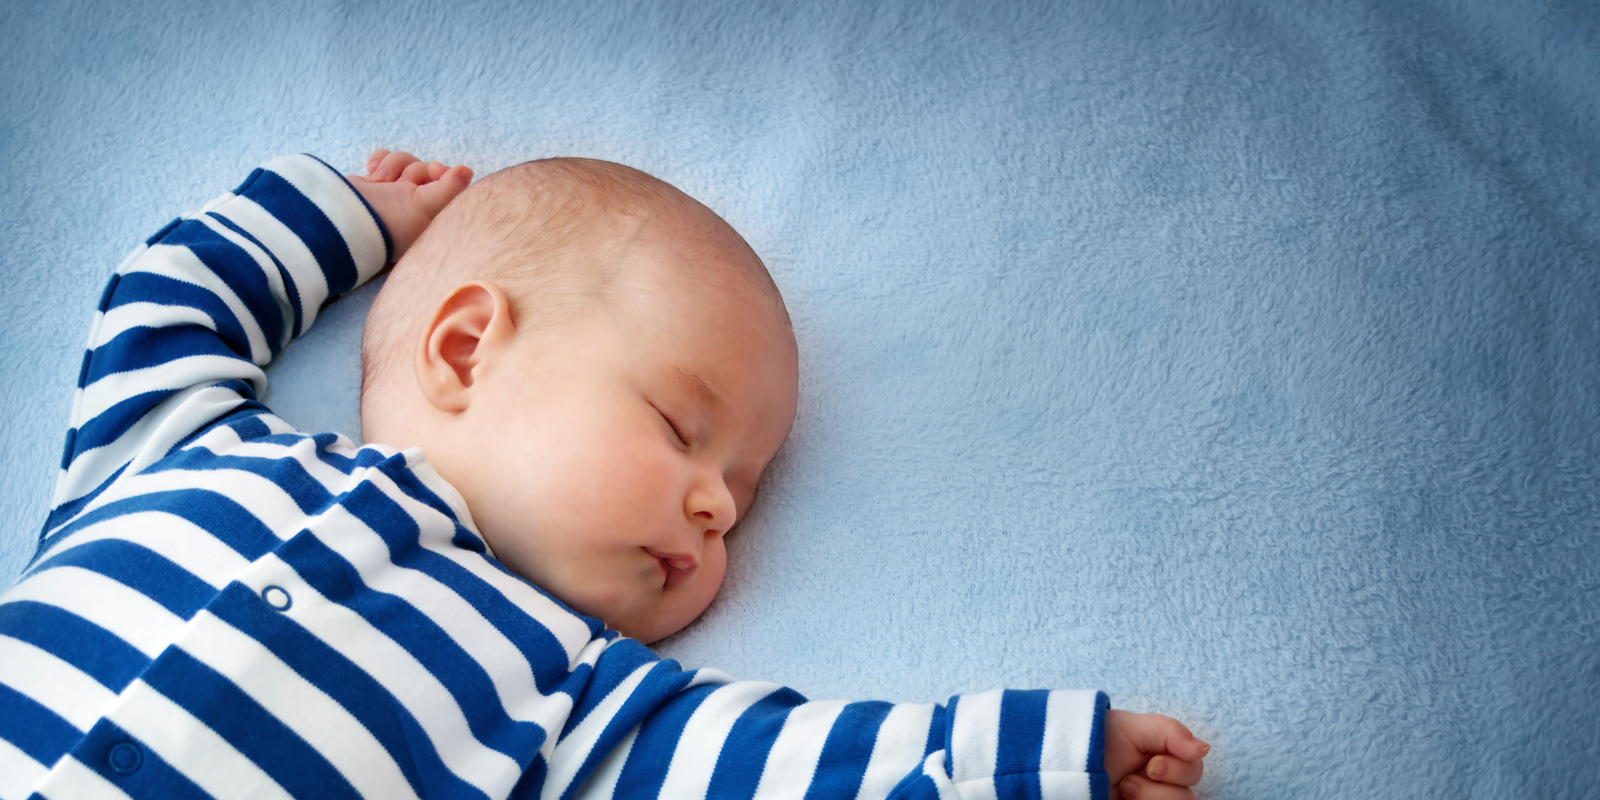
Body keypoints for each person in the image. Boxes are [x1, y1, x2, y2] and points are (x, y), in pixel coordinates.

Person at [0, 148, 1209, 800]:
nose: (720, 503)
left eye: (744, 485)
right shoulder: (180, 445)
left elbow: (796, 768)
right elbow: (170, 293)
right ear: (466, 346)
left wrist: (1037, 759)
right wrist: (354, 215)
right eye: (684, 428)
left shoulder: (573, 702)